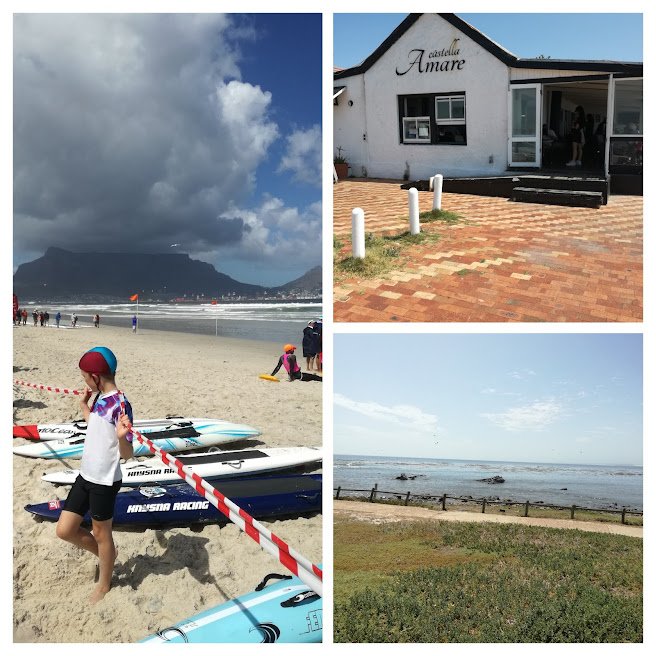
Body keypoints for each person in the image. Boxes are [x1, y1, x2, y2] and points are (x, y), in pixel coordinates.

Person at [55, 346, 134, 604]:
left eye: (84, 376)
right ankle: (108, 555)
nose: (84, 381)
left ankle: (104, 584)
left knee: (102, 534)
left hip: (105, 480)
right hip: (86, 475)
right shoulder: (100, 398)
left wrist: (123, 438)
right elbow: (96, 426)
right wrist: (83, 406)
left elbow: (127, 454)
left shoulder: (121, 405)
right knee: (64, 530)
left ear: (96, 377)